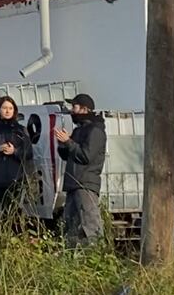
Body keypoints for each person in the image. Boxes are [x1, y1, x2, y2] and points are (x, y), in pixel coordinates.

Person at [56, 94, 107, 248]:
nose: (72, 111)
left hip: (85, 184)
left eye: (75, 107)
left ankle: (96, 257)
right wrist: (63, 144)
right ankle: (73, 260)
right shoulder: (80, 130)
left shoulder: (95, 131)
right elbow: (68, 155)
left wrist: (69, 142)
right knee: (71, 226)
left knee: (89, 224)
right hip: (73, 184)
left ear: (84, 109)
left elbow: (86, 156)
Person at [0, 96, 32, 225]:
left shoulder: (21, 130)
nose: (7, 111)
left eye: (10, 108)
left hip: (16, 180)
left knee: (15, 219)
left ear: (14, 111)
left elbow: (29, 153)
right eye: (4, 108)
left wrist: (15, 151)